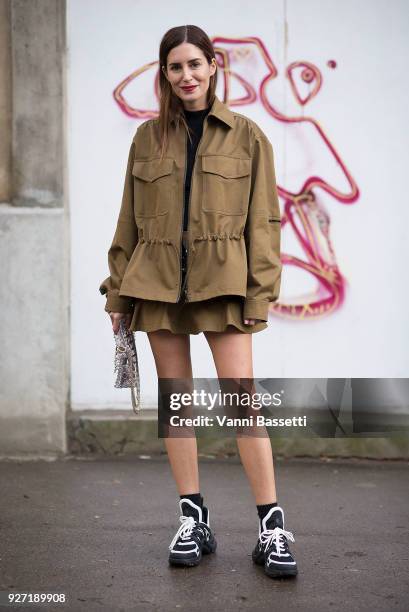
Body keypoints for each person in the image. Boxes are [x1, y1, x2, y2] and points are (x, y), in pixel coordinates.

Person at [99, 24, 297, 579]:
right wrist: (118, 293)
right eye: (174, 67)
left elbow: (266, 222)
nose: (185, 75)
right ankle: (193, 517)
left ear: (213, 66)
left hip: (224, 283)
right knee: (177, 403)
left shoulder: (248, 135)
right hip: (157, 283)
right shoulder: (146, 138)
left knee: (243, 400)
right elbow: (128, 220)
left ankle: (272, 526)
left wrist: (261, 292)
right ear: (164, 74)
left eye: (194, 64)